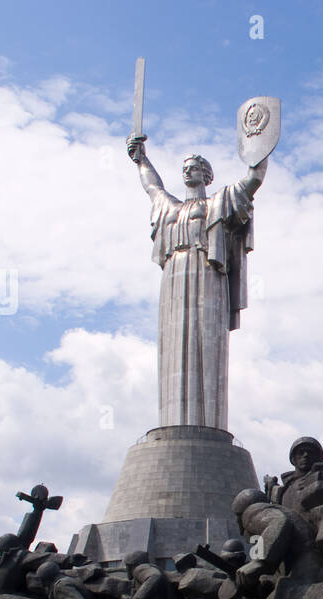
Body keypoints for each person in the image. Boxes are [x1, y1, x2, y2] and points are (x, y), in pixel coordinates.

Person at [126, 132, 266, 429]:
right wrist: (141, 159)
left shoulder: (219, 202)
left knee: (206, 342)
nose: (187, 170)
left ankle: (208, 426)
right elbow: (152, 186)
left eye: (194, 167)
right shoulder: (170, 208)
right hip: (174, 277)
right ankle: (172, 424)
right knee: (173, 346)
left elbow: (253, 181)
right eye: (185, 167)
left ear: (207, 175)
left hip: (208, 274)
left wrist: (259, 148)